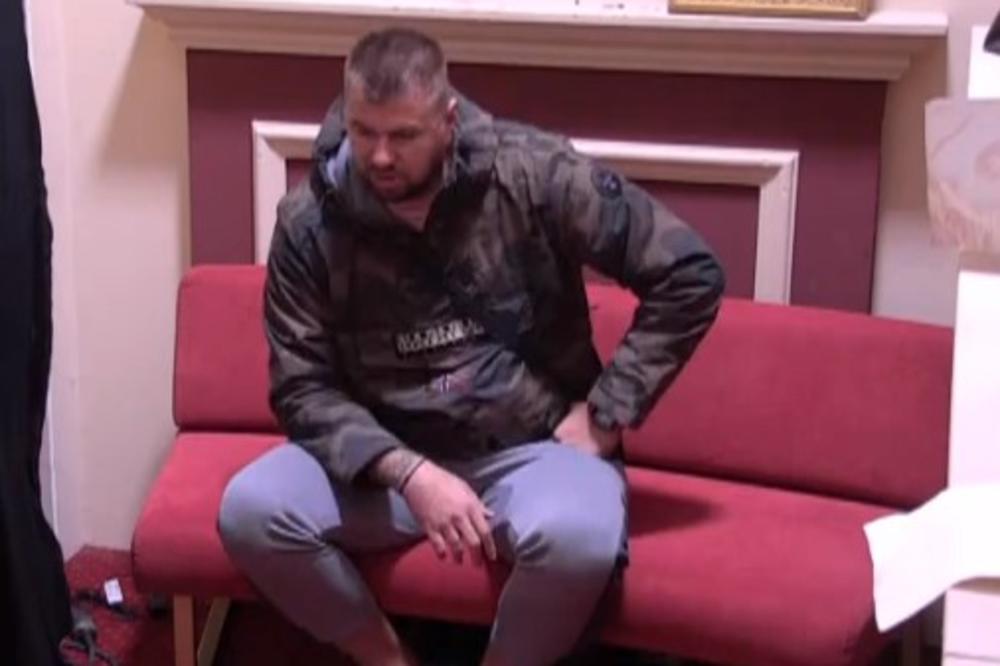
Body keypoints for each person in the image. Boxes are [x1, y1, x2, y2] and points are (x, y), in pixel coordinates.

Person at [218, 27, 725, 666]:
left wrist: (607, 412)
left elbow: (690, 273)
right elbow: (301, 387)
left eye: (403, 135)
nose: (379, 156)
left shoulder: (532, 172)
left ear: (448, 119)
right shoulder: (308, 221)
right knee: (251, 511)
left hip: (530, 447)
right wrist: (411, 473)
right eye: (363, 131)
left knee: (580, 542)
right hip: (382, 458)